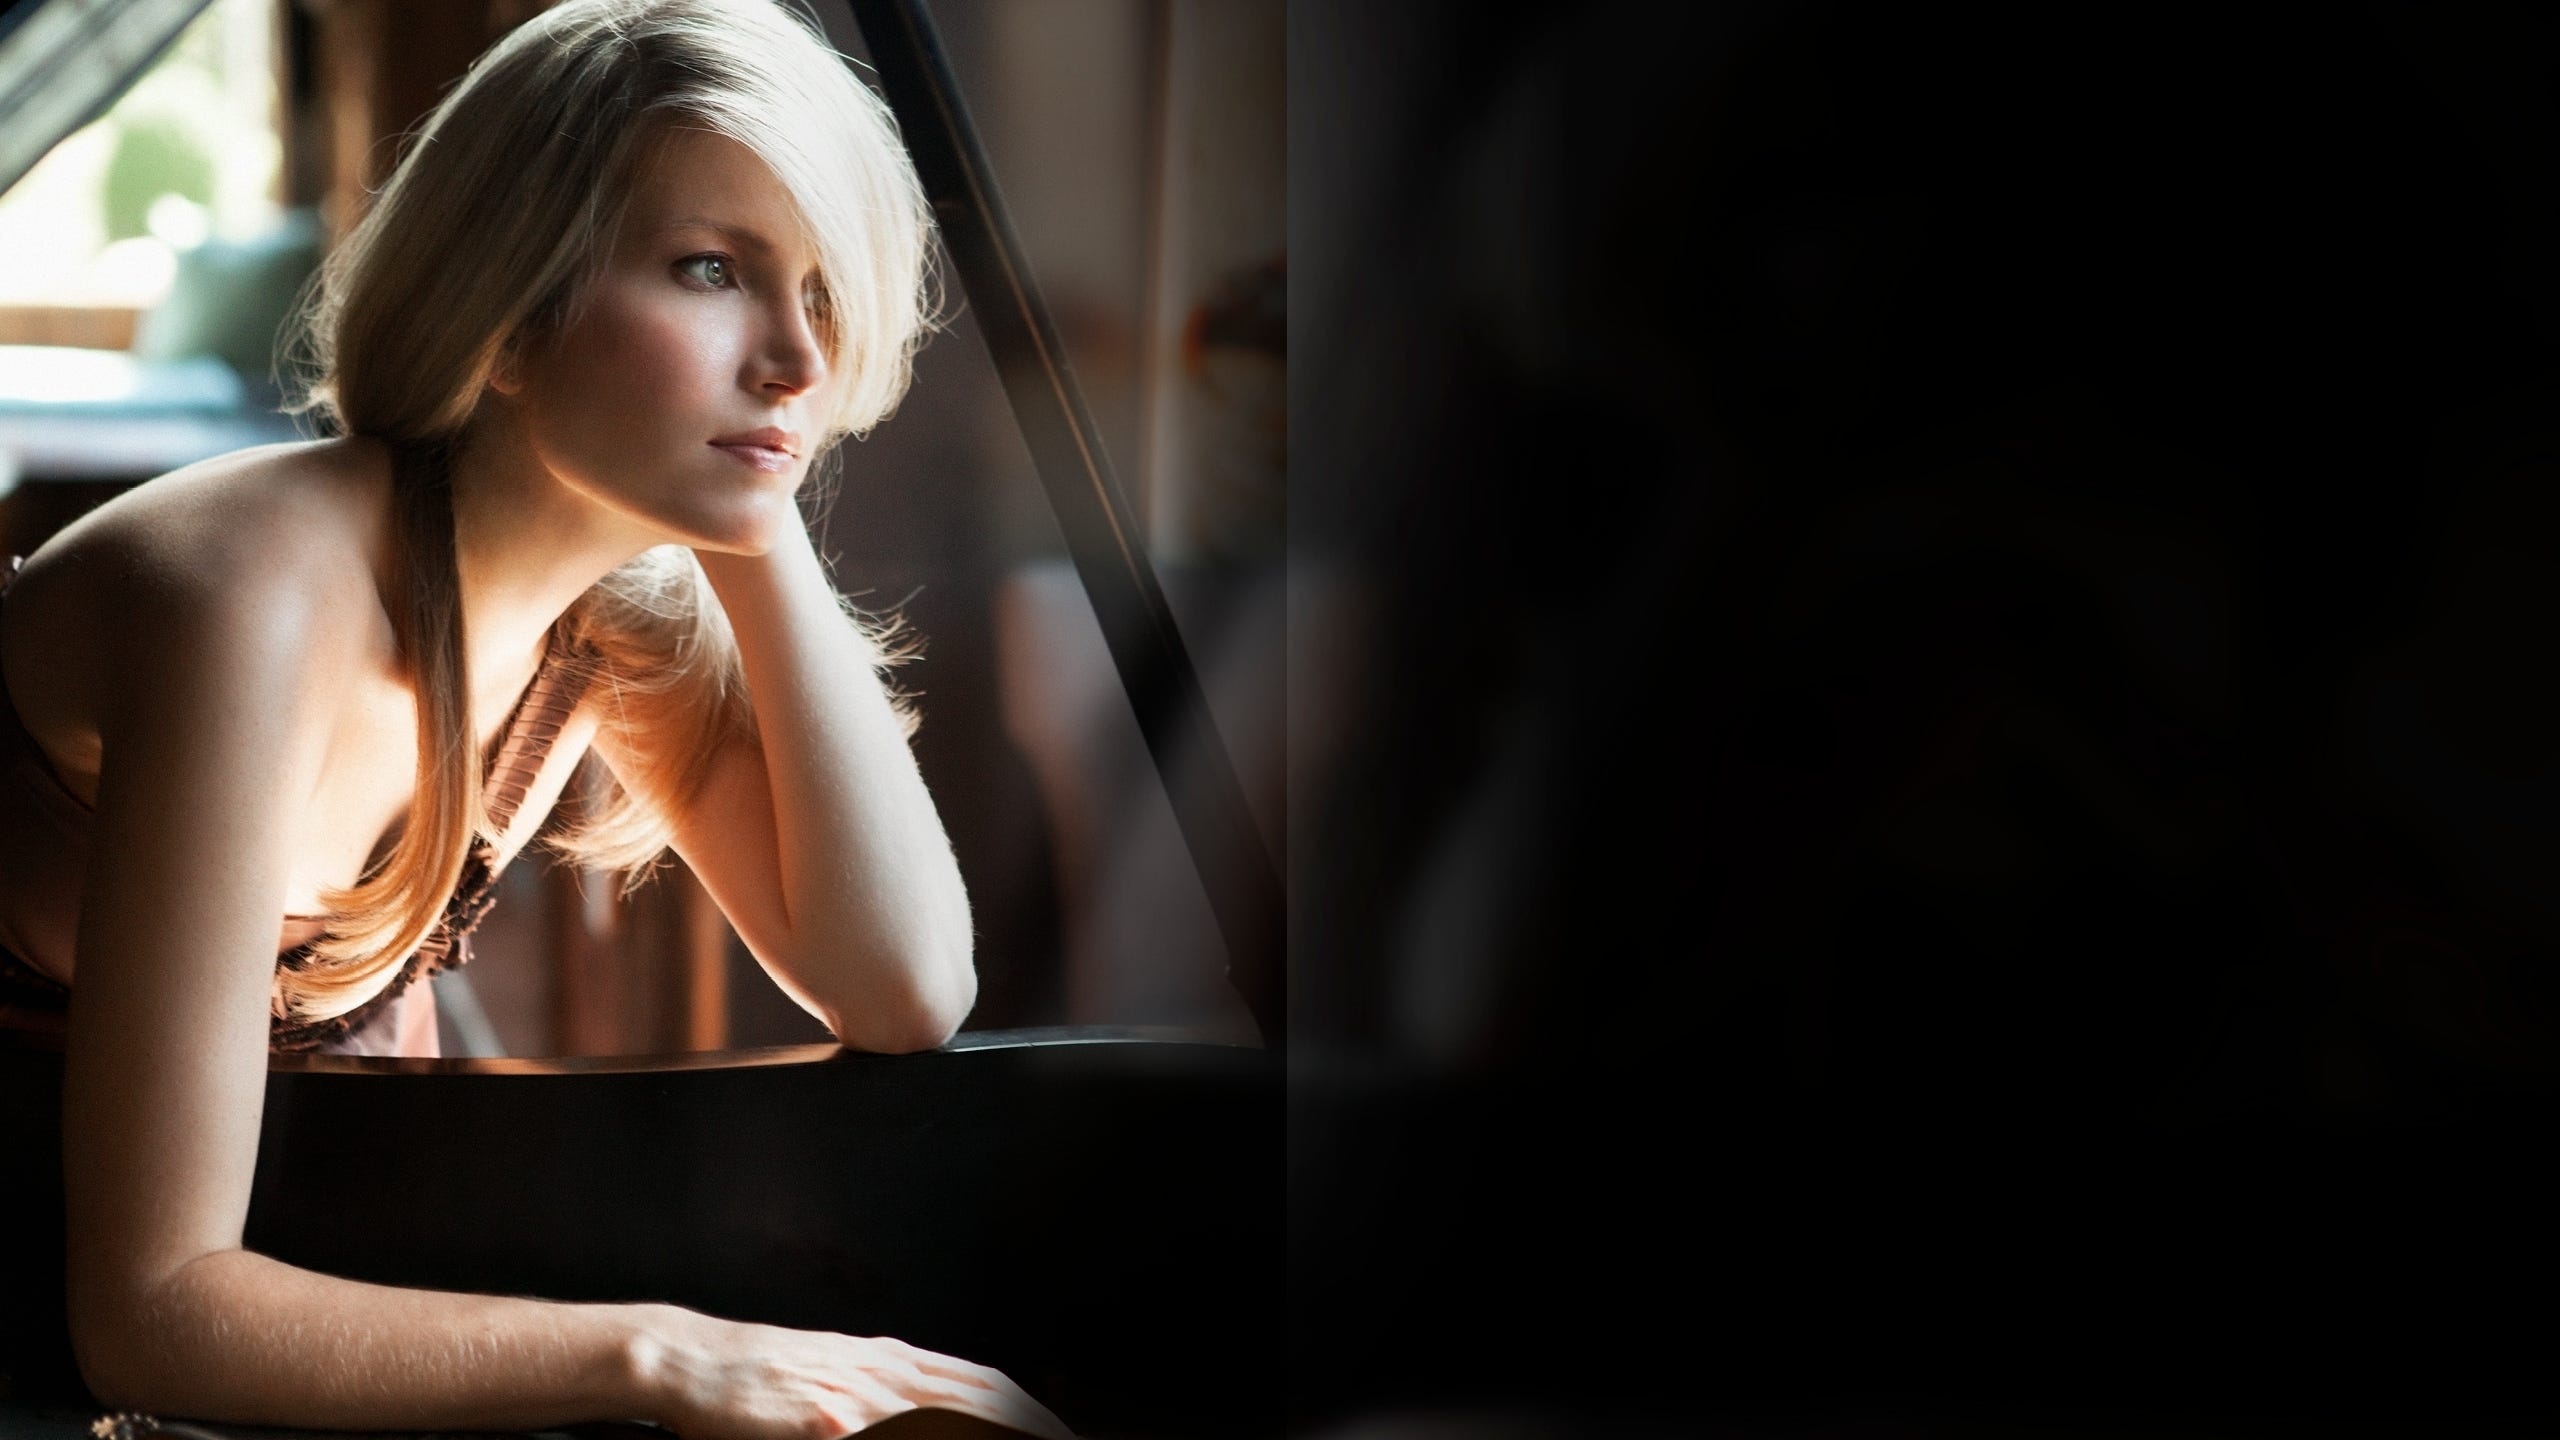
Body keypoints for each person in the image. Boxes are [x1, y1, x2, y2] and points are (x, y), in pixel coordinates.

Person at [0, 0, 1073, 1433]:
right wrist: (670, 1356)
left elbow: (903, 987)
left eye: (820, 292)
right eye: (711, 270)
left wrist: (758, 523)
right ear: (510, 312)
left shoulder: (609, 620)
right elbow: (150, 1314)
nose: (798, 362)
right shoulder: (252, 601)